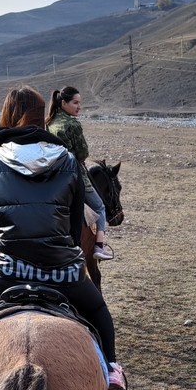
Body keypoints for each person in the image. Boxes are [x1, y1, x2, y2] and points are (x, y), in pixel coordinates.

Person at [0, 87, 127, 390]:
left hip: (8, 271)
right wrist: (62, 255)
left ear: (9, 116)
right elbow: (72, 228)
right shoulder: (68, 160)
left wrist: (0, 262)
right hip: (62, 271)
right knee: (97, 311)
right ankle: (110, 368)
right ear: (41, 116)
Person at [46, 85, 114, 260]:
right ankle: (99, 246)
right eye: (75, 103)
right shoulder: (72, 124)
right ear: (63, 103)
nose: (79, 107)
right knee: (99, 206)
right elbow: (83, 153)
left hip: (53, 175)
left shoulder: (49, 122)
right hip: (75, 174)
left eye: (79, 103)